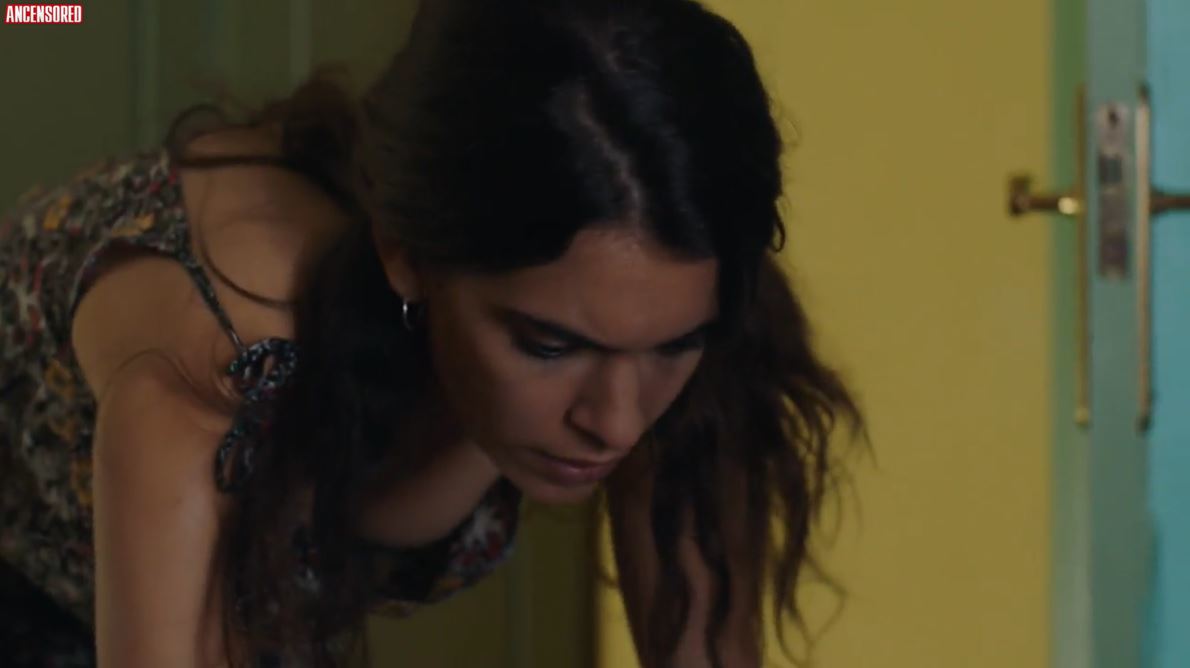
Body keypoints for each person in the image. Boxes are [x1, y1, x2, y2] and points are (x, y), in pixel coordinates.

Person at [0, 0, 865, 665]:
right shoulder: (221, 363)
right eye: (549, 345)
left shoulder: (656, 299)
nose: (616, 420)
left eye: (674, 345)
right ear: (407, 259)